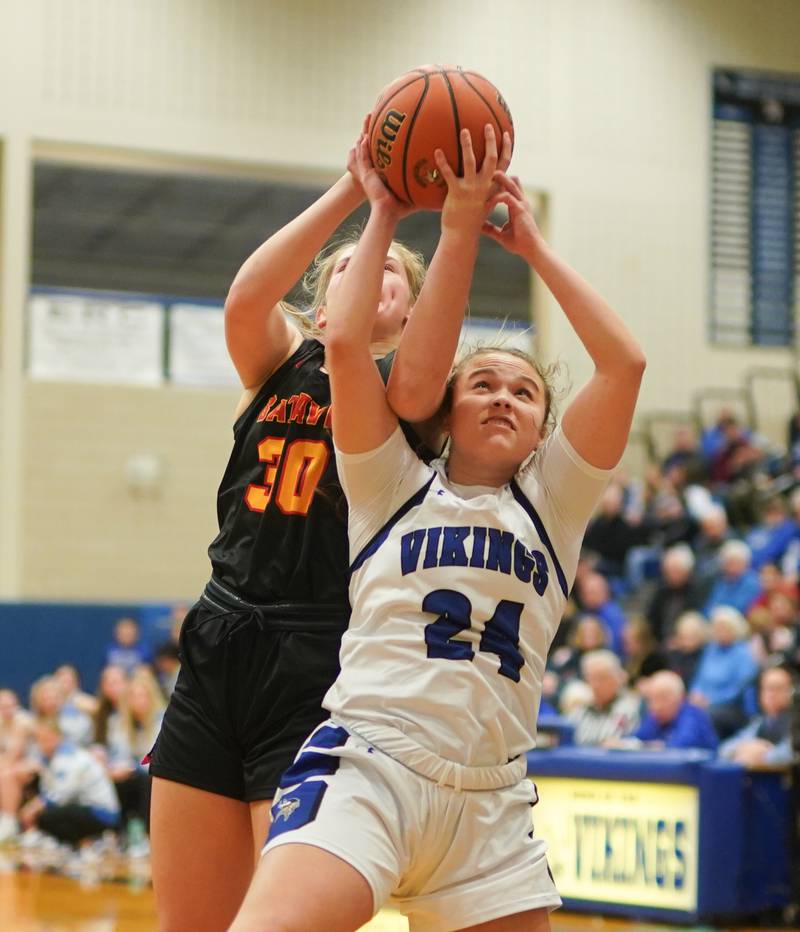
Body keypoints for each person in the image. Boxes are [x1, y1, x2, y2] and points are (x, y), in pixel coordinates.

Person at [229, 126, 644, 931]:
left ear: (544, 431)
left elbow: (623, 364)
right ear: (447, 411)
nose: (501, 398)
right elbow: (343, 341)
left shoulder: (553, 507)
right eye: (482, 383)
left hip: (492, 804)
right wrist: (381, 207)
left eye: (524, 393)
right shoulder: (388, 480)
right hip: (371, 768)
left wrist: (534, 249)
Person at [148, 126, 513, 931]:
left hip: (324, 650)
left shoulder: (409, 395)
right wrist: (361, 194)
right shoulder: (277, 358)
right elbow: (246, 298)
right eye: (346, 269)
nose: (367, 268)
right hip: (219, 632)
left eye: (389, 270)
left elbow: (397, 359)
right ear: (317, 304)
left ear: (417, 312)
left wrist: (437, 229)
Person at [17, 717, 120, 847]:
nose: (43, 744)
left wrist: (31, 809)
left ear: (58, 737)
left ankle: (88, 842)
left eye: (47, 739)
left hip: (102, 813)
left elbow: (61, 795)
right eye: (39, 740)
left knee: (46, 816)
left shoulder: (71, 757)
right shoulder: (49, 759)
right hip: (82, 806)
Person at [718, 664, 795, 767]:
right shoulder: (759, 722)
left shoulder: (795, 722)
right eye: (767, 688)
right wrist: (746, 748)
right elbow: (724, 749)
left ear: (789, 693)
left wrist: (762, 756)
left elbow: (790, 753)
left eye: (777, 688)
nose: (771, 694)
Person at [625, 670, 718, 751]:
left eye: (662, 698)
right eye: (651, 699)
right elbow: (635, 740)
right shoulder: (654, 717)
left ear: (680, 698)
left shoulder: (693, 716)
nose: (656, 706)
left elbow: (681, 746)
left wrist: (646, 746)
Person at [570, 649, 642, 747]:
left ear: (618, 678)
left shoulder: (629, 709)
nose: (596, 684)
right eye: (591, 678)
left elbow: (621, 743)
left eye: (602, 678)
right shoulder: (579, 712)